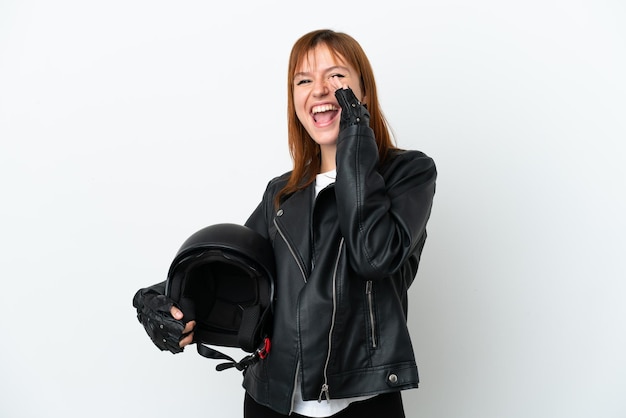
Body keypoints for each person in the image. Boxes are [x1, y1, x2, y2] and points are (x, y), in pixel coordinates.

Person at [133, 29, 437, 418]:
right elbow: (232, 268)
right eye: (304, 80)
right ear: (294, 100)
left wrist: (355, 138)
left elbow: (372, 256)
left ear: (363, 91)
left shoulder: (407, 173)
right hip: (271, 403)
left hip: (364, 404)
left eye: (337, 76)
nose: (321, 90)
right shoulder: (282, 194)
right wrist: (159, 299)